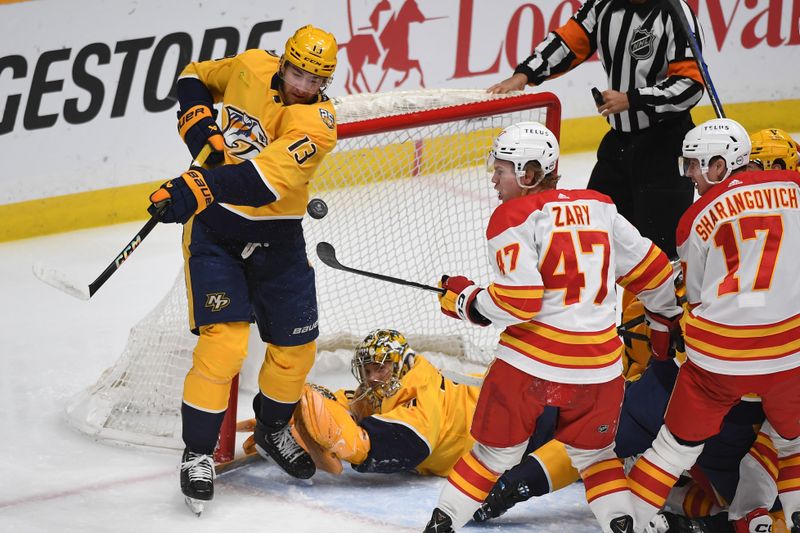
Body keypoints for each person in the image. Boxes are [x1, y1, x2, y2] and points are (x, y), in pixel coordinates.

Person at [422, 121, 683, 533]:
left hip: (528, 369)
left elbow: (519, 302)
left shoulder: (511, 216)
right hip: (599, 372)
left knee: (492, 457)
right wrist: (663, 323)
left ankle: (439, 526)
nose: (493, 177)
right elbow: (655, 274)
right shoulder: (601, 207)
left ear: (527, 174)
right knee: (596, 459)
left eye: (502, 169)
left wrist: (465, 300)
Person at [146, 25, 339, 509]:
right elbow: (193, 77)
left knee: (297, 349)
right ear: (283, 63)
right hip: (216, 235)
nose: (302, 86)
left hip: (278, 241)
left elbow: (259, 184)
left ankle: (273, 430)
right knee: (225, 347)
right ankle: (197, 453)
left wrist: (196, 188)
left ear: (325, 83)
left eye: (314, 81)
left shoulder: (318, 124)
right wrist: (199, 127)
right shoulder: (251, 65)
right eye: (297, 72)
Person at [626, 118, 800, 533]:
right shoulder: (794, 189)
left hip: (718, 361)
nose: (688, 175)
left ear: (720, 166)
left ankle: (631, 522)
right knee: (792, 444)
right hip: (786, 355)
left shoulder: (693, 217)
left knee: (672, 449)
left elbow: (698, 297)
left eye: (694, 165)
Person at [487, 0, 705, 259]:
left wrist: (633, 99)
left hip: (665, 146)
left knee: (662, 252)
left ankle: (660, 302)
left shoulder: (674, 13)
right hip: (620, 144)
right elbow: (567, 42)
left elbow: (691, 85)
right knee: (590, 234)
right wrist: (524, 75)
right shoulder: (603, 5)